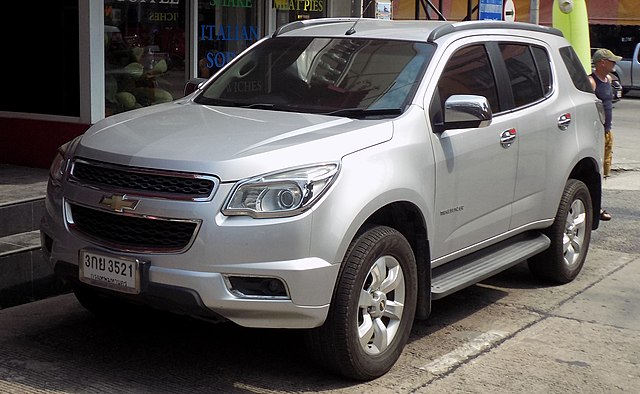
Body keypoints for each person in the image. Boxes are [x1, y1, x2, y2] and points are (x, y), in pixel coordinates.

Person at [589, 48, 621, 221]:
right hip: (597, 132)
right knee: (597, 171)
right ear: (602, 62)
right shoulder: (592, 82)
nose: (614, 64)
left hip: (607, 132)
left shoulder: (608, 80)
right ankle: (596, 207)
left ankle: (598, 204)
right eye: (611, 61)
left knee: (604, 171)